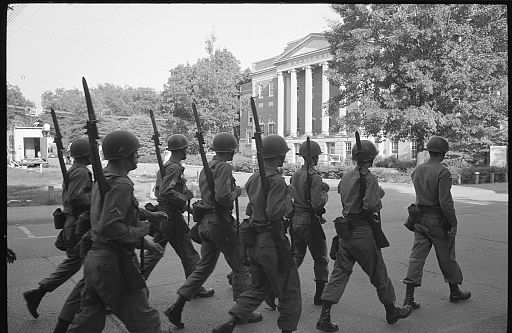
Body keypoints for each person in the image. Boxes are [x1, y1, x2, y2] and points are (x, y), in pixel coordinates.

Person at [67, 130, 168, 333]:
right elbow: (110, 226)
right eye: (135, 152)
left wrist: (148, 226)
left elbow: (117, 213)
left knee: (88, 321)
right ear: (124, 155)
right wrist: (142, 231)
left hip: (96, 258)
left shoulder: (103, 179)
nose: (138, 156)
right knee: (146, 322)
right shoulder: (121, 183)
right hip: (113, 262)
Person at [164, 132, 262, 329]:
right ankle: (245, 312)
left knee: (203, 268)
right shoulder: (224, 167)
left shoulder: (207, 167)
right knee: (241, 267)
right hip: (220, 223)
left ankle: (177, 305)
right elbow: (223, 197)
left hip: (206, 223)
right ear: (230, 150)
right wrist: (237, 192)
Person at [316, 140, 412, 332]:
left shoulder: (347, 176)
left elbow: (345, 195)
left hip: (345, 231)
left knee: (339, 273)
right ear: (371, 158)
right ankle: (391, 311)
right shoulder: (369, 179)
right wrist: (377, 199)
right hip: (362, 231)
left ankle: (324, 316)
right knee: (379, 273)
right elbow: (370, 206)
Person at [212, 134, 301, 333]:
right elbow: (275, 212)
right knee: (290, 291)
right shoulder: (277, 181)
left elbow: (251, 210)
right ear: (279, 157)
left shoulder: (254, 178)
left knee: (258, 288)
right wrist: (288, 197)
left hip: (255, 241)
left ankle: (231, 323)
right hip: (272, 241)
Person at [23, 138, 92, 319]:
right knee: (93, 265)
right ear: (86, 154)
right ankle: (85, 304)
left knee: (74, 263)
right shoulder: (82, 172)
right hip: (78, 224)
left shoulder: (77, 170)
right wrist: (98, 199)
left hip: (74, 223)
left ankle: (38, 293)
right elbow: (75, 197)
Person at [402, 136, 471, 309]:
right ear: (443, 153)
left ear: (429, 151)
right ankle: (454, 291)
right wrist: (453, 223)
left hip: (419, 220)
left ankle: (408, 298)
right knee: (447, 257)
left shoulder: (418, 169)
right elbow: (445, 202)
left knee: (416, 258)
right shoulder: (443, 172)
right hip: (437, 221)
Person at [143, 134, 214, 298]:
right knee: (189, 254)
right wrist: (185, 198)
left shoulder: (168, 166)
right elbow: (166, 191)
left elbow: (158, 190)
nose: (187, 151)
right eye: (186, 148)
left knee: (155, 252)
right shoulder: (174, 168)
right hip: (171, 216)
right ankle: (194, 287)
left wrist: (187, 202)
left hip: (164, 214)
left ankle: (135, 285)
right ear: (181, 150)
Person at [289, 139, 330, 305]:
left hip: (295, 220)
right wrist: (324, 193)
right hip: (309, 221)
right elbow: (317, 203)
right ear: (313, 158)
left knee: (295, 257)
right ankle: (320, 294)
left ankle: (278, 287)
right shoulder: (315, 177)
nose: (318, 159)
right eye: (317, 156)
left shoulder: (295, 175)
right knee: (320, 258)